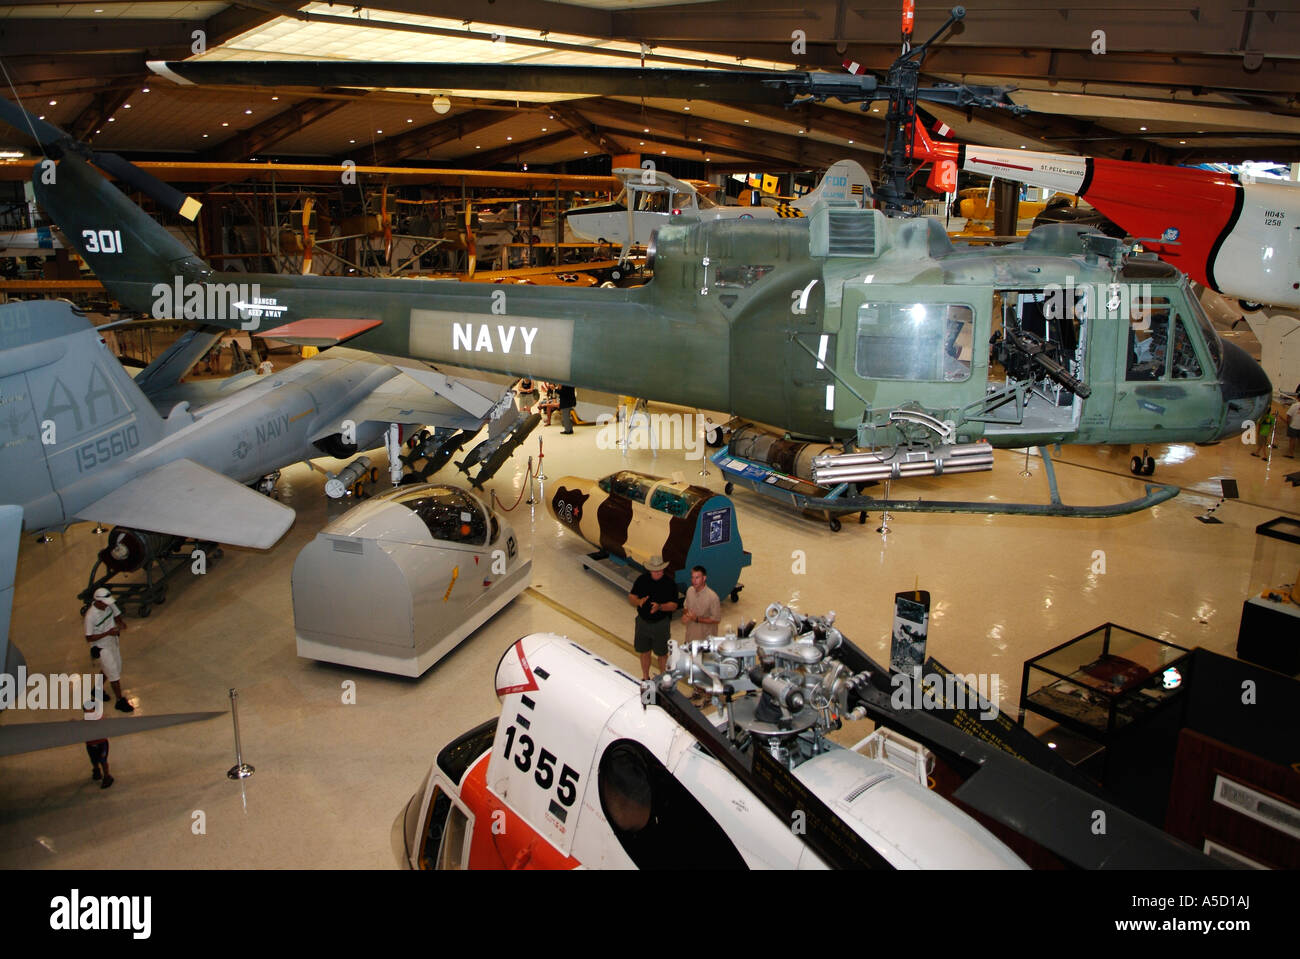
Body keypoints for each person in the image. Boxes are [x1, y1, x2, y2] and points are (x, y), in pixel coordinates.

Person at [628, 555, 678, 680]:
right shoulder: (642, 580)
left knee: (662, 653)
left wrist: (660, 607)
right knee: (644, 651)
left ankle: (662, 678)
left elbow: (674, 605)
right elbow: (631, 597)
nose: (658, 572)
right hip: (643, 622)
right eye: (655, 570)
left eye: (660, 570)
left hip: (660, 624)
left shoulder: (670, 584)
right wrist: (638, 601)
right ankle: (645, 676)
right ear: (650, 570)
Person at [84, 587, 133, 712]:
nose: (108, 605)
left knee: (113, 667)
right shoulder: (90, 616)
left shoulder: (109, 605)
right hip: (101, 646)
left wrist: (120, 623)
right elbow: (89, 637)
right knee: (113, 673)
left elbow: (117, 615)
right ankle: (119, 701)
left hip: (112, 641)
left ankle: (97, 689)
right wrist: (108, 633)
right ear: (98, 601)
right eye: (105, 603)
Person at [681, 565, 721, 644]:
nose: (694, 581)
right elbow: (686, 607)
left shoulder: (712, 597)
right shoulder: (689, 590)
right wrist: (685, 615)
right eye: (692, 577)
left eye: (697, 578)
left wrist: (697, 619)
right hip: (690, 638)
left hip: (705, 642)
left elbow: (716, 620)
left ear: (704, 578)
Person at [83, 701, 114, 789]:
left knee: (103, 760)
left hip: (102, 744)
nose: (89, 713)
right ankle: (96, 770)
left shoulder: (100, 719)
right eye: (87, 711)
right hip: (90, 745)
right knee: (93, 760)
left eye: (91, 711)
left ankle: (107, 776)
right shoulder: (84, 722)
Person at [1287, 392, 1300, 457]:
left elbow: (1289, 415)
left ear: (1298, 398)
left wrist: (1288, 424)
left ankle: (1291, 453)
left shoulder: (1294, 406)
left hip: (1294, 425)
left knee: (1292, 440)